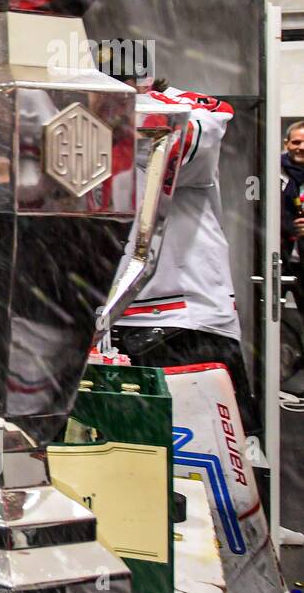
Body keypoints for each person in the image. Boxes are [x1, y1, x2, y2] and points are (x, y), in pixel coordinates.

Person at [109, 74, 256, 441]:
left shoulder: (192, 110)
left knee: (207, 472)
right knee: (116, 471)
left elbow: (178, 139)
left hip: (182, 324)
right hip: (103, 328)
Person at [281, 120, 304, 313]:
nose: (301, 147)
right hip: (278, 259)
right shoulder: (271, 171)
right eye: (296, 142)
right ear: (286, 143)